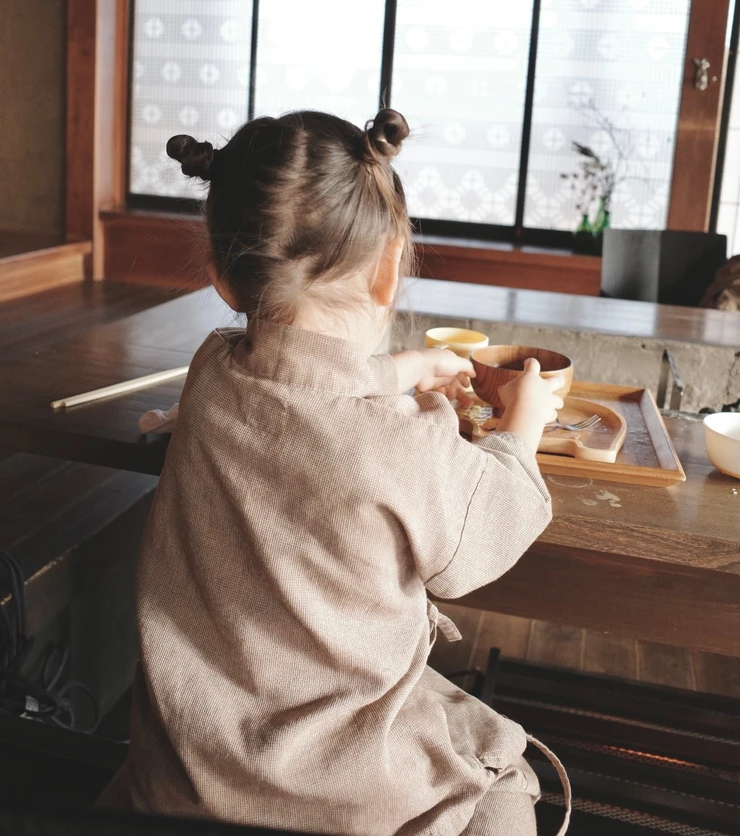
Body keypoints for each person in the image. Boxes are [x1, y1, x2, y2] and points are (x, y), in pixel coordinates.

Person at [127, 108, 570, 836]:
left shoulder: (210, 372)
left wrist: (400, 370)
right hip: (335, 792)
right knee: (503, 796)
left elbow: (299, 387)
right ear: (392, 264)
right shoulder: (403, 442)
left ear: (221, 277)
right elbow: (484, 532)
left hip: (189, 765)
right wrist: (523, 424)